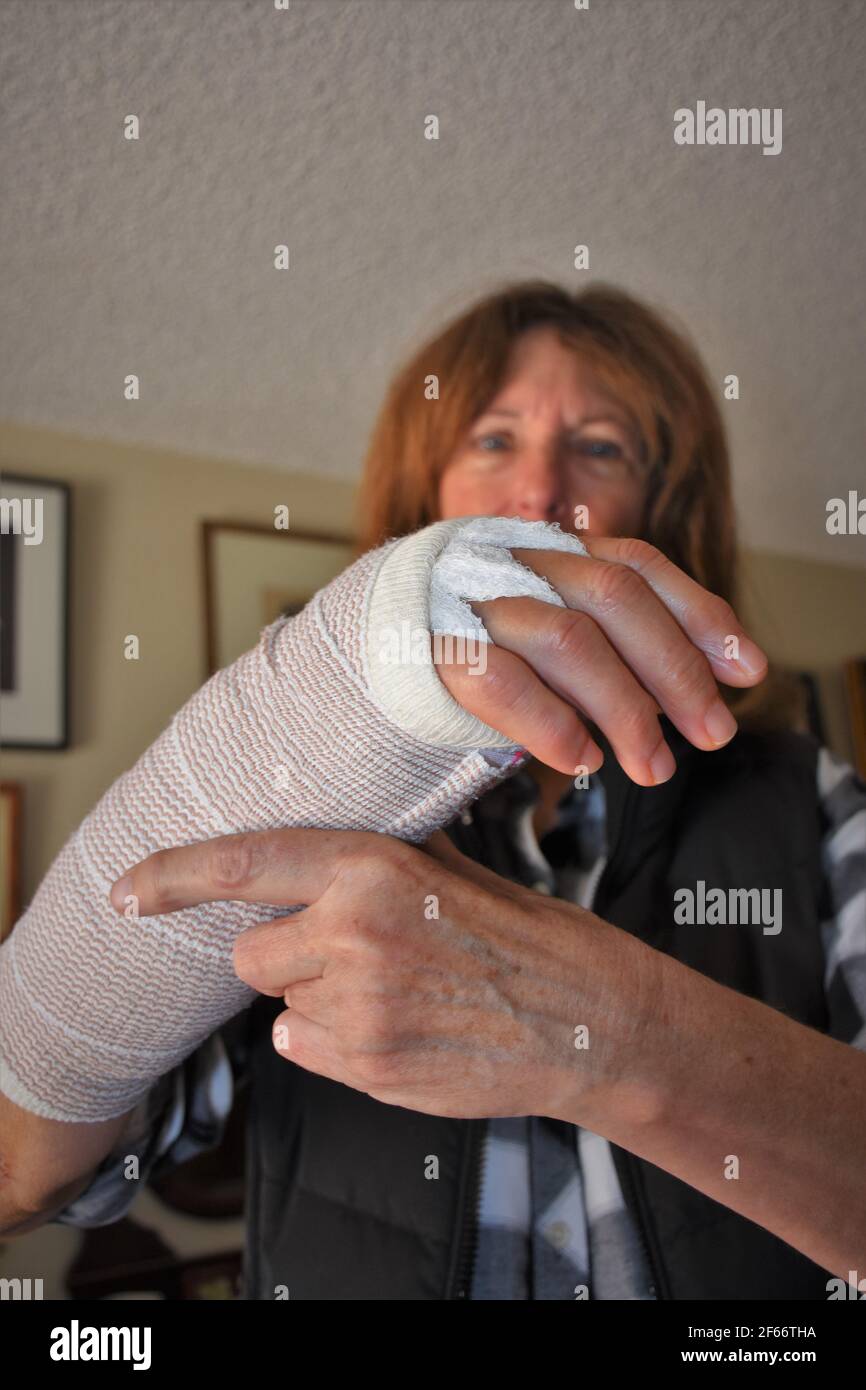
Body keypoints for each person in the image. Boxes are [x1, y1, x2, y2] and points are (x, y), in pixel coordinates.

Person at [1, 282, 864, 1300]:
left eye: (600, 447)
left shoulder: (807, 799)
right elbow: (21, 1172)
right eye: (492, 440)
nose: (539, 492)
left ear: (661, 513)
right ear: (426, 507)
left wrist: (612, 1028)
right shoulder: (299, 798)